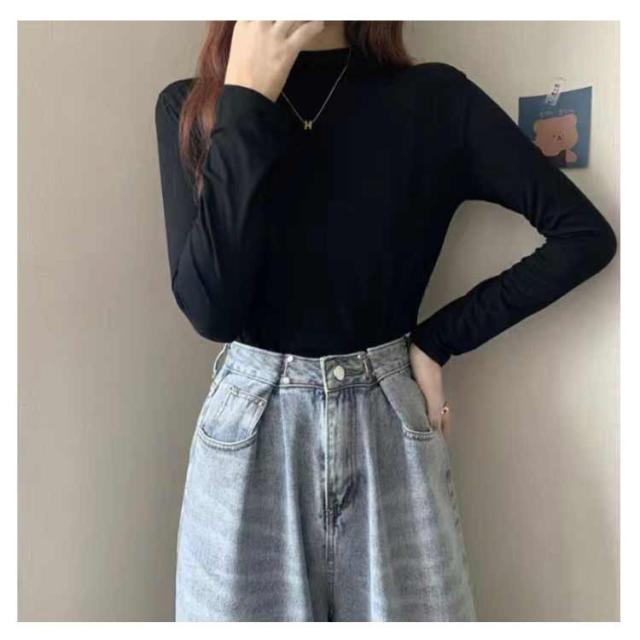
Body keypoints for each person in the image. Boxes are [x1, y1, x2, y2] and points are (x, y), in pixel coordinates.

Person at [154, 20, 617, 622]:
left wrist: (437, 340)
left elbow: (582, 237)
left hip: (388, 426)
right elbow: (210, 310)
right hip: (249, 439)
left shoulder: (434, 98)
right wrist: (245, 99)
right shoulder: (191, 108)